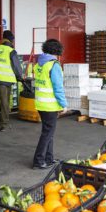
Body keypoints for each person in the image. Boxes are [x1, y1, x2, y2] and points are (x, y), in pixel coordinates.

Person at [32, 39, 67, 169]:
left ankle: (49, 158)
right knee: (47, 133)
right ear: (57, 50)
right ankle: (38, 160)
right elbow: (58, 87)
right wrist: (63, 104)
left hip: (41, 103)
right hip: (50, 105)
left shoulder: (39, 64)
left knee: (48, 132)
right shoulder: (54, 65)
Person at [0, 30, 23, 132]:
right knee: (4, 103)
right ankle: (4, 124)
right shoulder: (11, 51)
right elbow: (16, 66)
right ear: (11, 40)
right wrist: (20, 76)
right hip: (4, 80)